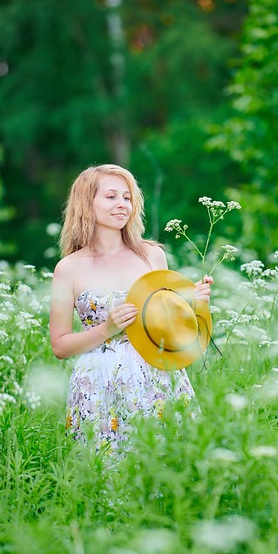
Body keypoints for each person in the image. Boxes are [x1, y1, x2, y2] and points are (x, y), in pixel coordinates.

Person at [50, 163, 213, 450]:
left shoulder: (151, 256)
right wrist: (107, 328)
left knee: (166, 464)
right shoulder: (68, 269)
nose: (122, 204)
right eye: (111, 196)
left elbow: (172, 331)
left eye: (127, 197)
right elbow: (60, 346)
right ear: (87, 203)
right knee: (107, 473)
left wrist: (195, 304)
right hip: (98, 385)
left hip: (157, 377)